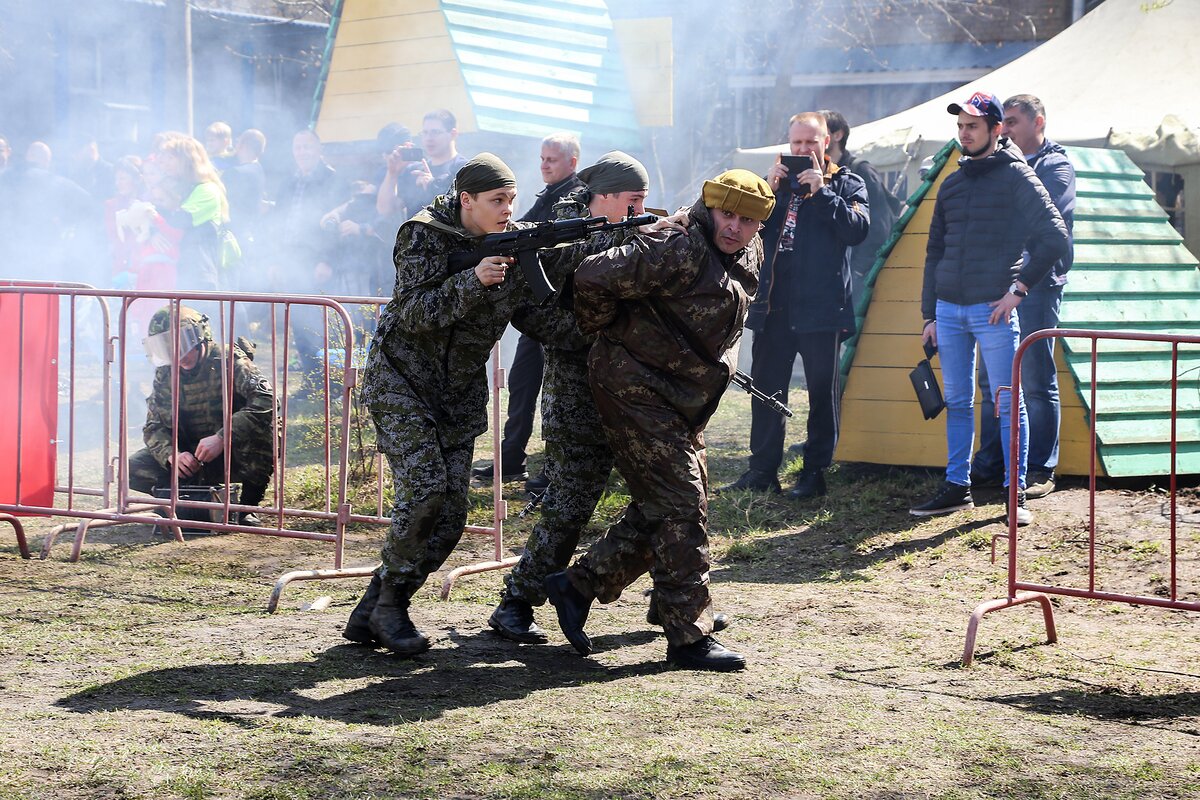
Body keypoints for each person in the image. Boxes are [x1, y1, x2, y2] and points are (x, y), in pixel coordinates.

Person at [543, 169, 773, 672]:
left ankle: (579, 586)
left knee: (664, 504)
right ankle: (687, 634)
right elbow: (590, 277)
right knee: (681, 501)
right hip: (633, 386)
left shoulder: (747, 250)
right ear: (710, 208)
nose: (734, 227)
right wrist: (613, 330)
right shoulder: (673, 244)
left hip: (684, 394)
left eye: (747, 220)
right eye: (726, 214)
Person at [487, 150, 715, 644]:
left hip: (636, 387)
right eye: (633, 200)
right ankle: (516, 604)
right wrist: (592, 331)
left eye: (644, 201)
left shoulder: (633, 231)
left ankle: (677, 603)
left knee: (667, 496)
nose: (639, 210)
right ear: (603, 196)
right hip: (579, 390)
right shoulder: (560, 237)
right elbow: (528, 311)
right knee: (573, 500)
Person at [338, 154, 558, 656]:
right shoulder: (421, 235)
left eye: (511, 200)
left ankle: (374, 605)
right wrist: (471, 279)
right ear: (467, 201)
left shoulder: (511, 244)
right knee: (425, 493)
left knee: (453, 514)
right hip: (402, 383)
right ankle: (392, 606)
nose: (507, 210)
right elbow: (412, 311)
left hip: (456, 396)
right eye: (496, 201)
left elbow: (534, 314)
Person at [909, 92, 1068, 526]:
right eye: (960, 126)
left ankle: (1014, 495)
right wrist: (929, 315)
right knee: (958, 402)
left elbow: (1055, 236)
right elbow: (934, 251)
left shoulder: (1019, 176)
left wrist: (1019, 289)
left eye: (973, 126)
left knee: (1006, 402)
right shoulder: (952, 183)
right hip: (948, 311)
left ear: (996, 130)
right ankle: (956, 487)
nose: (964, 133)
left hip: (993, 310)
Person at [724, 112, 870, 499]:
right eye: (797, 144)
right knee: (767, 388)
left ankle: (814, 473)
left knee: (822, 394)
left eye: (811, 142)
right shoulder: (776, 188)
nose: (803, 150)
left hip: (822, 309)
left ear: (827, 142)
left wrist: (823, 193)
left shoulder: (848, 183)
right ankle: (762, 470)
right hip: (774, 304)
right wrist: (767, 196)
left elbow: (858, 231)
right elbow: (745, 236)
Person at [972, 95, 1076, 500]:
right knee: (991, 378)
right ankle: (991, 461)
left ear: (1039, 122)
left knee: (1034, 376)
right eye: (1005, 122)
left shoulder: (1055, 167)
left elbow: (1046, 228)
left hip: (1038, 283)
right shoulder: (997, 164)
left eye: (1014, 121)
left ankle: (1039, 467)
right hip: (994, 286)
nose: (1007, 129)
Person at [471, 132, 585, 491]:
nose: (544, 165)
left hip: (558, 310)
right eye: (542, 159)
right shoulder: (548, 196)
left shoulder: (576, 197)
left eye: (551, 159)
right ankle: (511, 457)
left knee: (557, 399)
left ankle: (551, 472)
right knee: (521, 385)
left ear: (572, 162)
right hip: (536, 311)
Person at [127, 305, 276, 526]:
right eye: (168, 348)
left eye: (184, 345)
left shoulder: (229, 360)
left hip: (231, 451)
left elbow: (267, 400)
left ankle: (244, 508)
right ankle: (180, 502)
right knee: (134, 466)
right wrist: (172, 455)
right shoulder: (166, 372)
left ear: (201, 337)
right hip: (191, 453)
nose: (180, 356)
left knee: (263, 436)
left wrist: (222, 437)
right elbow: (153, 426)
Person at [822, 110, 903, 308]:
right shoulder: (812, 175)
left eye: (819, 133)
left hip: (856, 279)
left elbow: (880, 225)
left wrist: (857, 270)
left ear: (837, 135)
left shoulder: (860, 171)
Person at [154, 135, 230, 291]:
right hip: (182, 272)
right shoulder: (182, 188)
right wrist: (152, 231)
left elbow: (180, 220)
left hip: (200, 274)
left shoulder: (207, 189)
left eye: (171, 158)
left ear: (187, 161)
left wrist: (151, 214)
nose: (165, 163)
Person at [376, 109, 469, 223]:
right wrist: (392, 173)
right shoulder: (414, 171)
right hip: (415, 239)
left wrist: (432, 185)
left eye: (435, 132)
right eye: (425, 133)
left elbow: (466, 212)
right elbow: (385, 209)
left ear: (453, 134)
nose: (429, 138)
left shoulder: (463, 168)